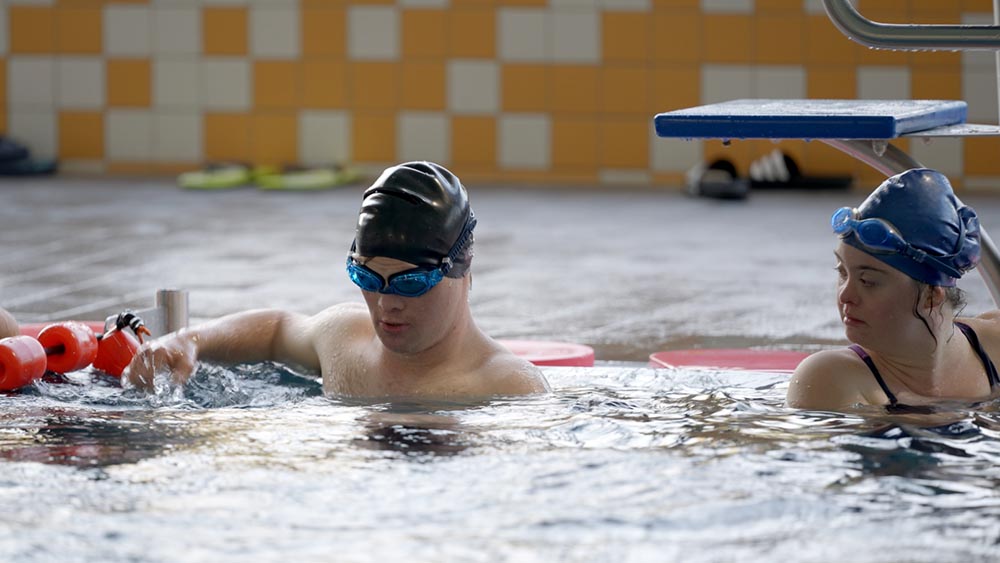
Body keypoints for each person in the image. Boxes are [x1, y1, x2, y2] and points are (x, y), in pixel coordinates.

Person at [125, 161, 550, 399]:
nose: (386, 303)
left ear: (462, 272)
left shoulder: (506, 386)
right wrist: (188, 340)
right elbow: (275, 329)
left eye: (409, 284)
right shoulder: (345, 338)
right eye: (367, 277)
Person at [787, 168, 1000, 411]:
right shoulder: (828, 378)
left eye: (868, 281)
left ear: (931, 296)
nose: (845, 295)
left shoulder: (995, 345)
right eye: (842, 272)